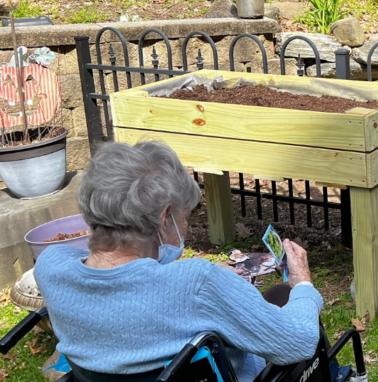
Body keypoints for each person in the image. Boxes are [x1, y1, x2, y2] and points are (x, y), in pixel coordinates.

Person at [34, 142, 322, 381]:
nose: (185, 225)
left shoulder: (51, 268)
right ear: (164, 218)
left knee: (272, 295)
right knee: (285, 294)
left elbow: (116, 278)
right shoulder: (197, 284)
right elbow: (298, 344)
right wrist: (304, 284)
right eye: (184, 216)